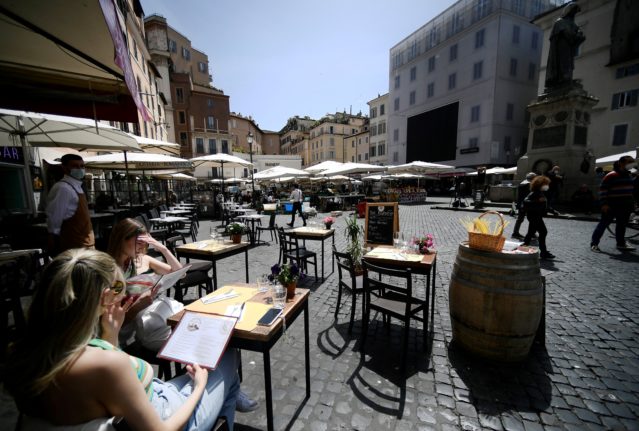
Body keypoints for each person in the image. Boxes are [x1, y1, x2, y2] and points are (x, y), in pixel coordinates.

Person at [4, 248, 239, 430]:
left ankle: (233, 396)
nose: (124, 291)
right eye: (119, 286)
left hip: (143, 404)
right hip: (165, 412)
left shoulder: (22, 358)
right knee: (227, 354)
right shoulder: (105, 365)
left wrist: (110, 338)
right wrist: (198, 386)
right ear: (105, 297)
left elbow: (104, 396)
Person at [107, 218, 259, 413]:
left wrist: (162, 249)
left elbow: (180, 273)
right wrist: (138, 306)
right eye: (138, 241)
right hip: (144, 326)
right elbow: (115, 323)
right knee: (200, 343)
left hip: (166, 311)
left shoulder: (142, 259)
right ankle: (219, 392)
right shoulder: (112, 272)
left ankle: (228, 388)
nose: (142, 246)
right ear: (122, 239)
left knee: (217, 334)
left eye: (145, 241)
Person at [46, 154, 94, 256]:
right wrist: (53, 244)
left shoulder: (78, 186)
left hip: (85, 245)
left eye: (82, 166)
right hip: (74, 248)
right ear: (64, 167)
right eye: (75, 166)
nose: (80, 169)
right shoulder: (63, 188)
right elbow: (54, 220)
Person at [590, 156, 637, 252]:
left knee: (622, 226)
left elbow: (631, 191)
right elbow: (603, 190)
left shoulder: (629, 175)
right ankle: (594, 244)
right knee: (603, 224)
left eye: (632, 162)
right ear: (621, 163)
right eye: (629, 162)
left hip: (625, 205)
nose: (632, 164)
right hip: (611, 205)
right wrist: (604, 204)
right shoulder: (611, 175)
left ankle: (620, 243)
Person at [545, 3, 585, 90]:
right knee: (563, 63)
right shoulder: (560, 22)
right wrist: (577, 35)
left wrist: (578, 36)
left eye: (575, 12)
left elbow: (580, 35)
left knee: (568, 64)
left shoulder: (574, 25)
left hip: (569, 49)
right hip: (561, 48)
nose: (574, 14)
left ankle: (566, 79)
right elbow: (569, 34)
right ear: (569, 11)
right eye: (573, 11)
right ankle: (562, 80)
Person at [522, 176, 555, 260]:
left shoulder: (540, 192)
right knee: (543, 232)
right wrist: (537, 201)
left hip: (536, 216)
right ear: (540, 184)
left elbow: (543, 203)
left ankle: (523, 248)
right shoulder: (535, 192)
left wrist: (553, 211)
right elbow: (525, 201)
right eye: (546, 184)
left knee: (531, 233)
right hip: (534, 216)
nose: (547, 186)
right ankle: (543, 252)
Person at [512, 172, 536, 239]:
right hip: (527, 204)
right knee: (532, 219)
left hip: (521, 204)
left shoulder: (522, 183)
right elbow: (529, 196)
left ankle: (515, 232)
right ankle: (531, 233)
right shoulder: (528, 184)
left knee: (520, 219)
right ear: (532, 178)